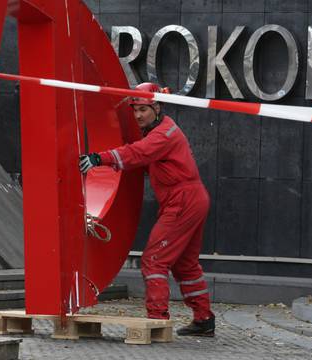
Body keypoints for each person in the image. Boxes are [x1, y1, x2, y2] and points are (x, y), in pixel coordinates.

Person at [79, 82, 215, 337]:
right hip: (190, 199)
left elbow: (137, 153)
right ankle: (204, 318)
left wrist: (100, 159)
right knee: (185, 266)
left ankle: (156, 321)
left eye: (143, 109)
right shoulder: (162, 131)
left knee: (154, 261)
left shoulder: (163, 135)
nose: (138, 115)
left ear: (156, 106)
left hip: (183, 201)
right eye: (135, 110)